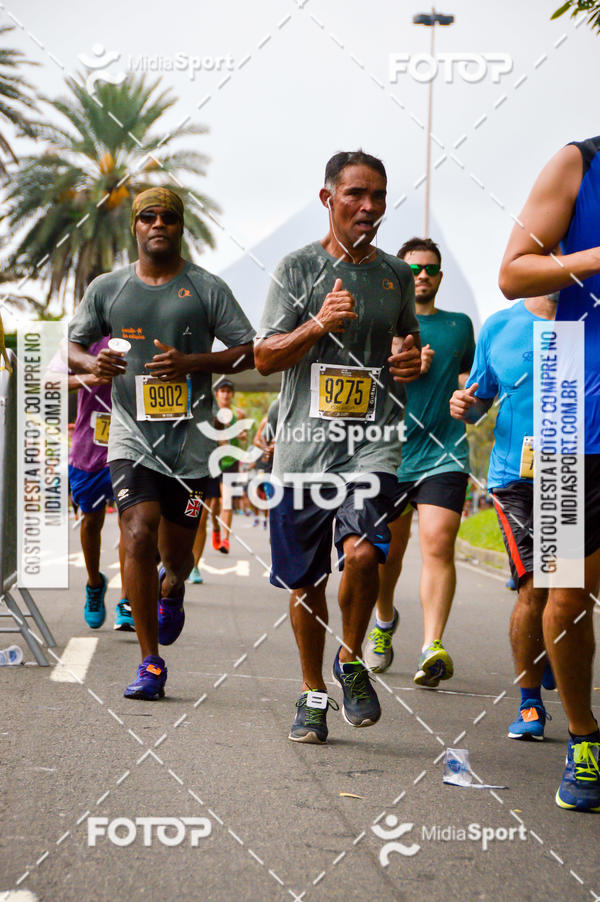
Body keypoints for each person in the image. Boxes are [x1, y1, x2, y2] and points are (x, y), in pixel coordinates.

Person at [255, 150, 421, 743]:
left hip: (372, 444)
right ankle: (312, 693)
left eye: (378, 196)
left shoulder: (395, 276)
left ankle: (349, 660)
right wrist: (318, 324)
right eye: (356, 194)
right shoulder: (297, 269)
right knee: (305, 584)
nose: (369, 207)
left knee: (363, 555)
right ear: (328, 199)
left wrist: (408, 359)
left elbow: (409, 346)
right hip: (302, 450)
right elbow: (265, 356)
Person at [68, 187, 254, 700]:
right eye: (146, 216)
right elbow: (73, 345)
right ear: (135, 227)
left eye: (167, 217)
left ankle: (172, 590)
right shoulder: (109, 288)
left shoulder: (206, 288)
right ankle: (150, 662)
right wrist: (92, 364)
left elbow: (248, 353)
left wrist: (191, 363)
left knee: (178, 559)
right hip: (132, 437)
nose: (157, 224)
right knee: (136, 532)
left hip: (190, 448)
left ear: (179, 227)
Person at [498, 135, 600, 811]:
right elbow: (514, 273)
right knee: (563, 596)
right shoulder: (580, 162)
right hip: (575, 409)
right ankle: (585, 738)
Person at [364, 237, 475, 687]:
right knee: (386, 555)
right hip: (390, 453)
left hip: (444, 453)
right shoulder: (379, 325)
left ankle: (432, 646)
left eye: (430, 269)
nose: (422, 276)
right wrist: (403, 364)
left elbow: (469, 375)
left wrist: (468, 395)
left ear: (440, 276)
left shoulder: (460, 326)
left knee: (438, 541)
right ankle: (385, 621)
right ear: (400, 276)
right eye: (414, 269)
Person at [449, 293, 558, 739]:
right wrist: (463, 405)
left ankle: (552, 643)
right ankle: (530, 704)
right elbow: (479, 402)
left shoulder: (588, 317)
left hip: (570, 471)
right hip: (515, 477)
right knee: (533, 586)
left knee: (565, 591)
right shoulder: (499, 326)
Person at [68, 337, 134, 631]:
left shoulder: (142, 332)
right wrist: (92, 376)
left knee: (132, 525)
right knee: (91, 522)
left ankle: (128, 600)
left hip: (132, 449)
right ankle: (95, 584)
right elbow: (46, 383)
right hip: (89, 451)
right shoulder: (82, 340)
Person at [211, 379, 247, 553]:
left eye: (228, 391)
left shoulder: (238, 414)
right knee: (213, 506)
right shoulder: (211, 412)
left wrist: (241, 435)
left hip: (230, 462)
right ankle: (216, 531)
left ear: (232, 395)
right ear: (217, 393)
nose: (225, 394)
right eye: (222, 391)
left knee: (226, 501)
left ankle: (225, 540)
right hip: (211, 462)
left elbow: (244, 435)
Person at [252, 395, 280, 529]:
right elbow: (257, 440)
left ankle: (274, 526)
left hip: (285, 463)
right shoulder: (266, 420)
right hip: (267, 464)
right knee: (266, 494)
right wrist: (267, 449)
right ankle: (269, 524)